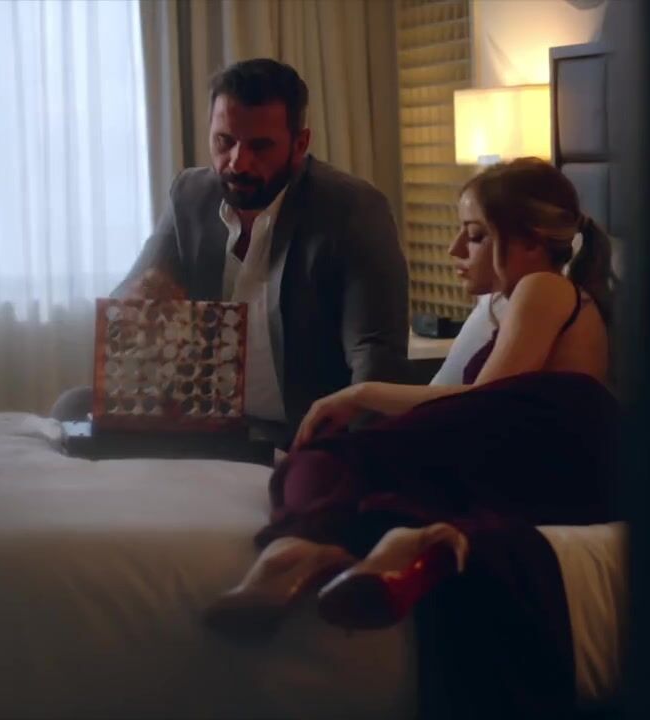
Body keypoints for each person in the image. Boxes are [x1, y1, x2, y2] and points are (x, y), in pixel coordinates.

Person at [205, 157, 619, 715]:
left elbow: (486, 401)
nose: (454, 249)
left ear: (529, 241)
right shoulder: (512, 301)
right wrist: (366, 400)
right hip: (529, 451)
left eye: (475, 235)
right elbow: (479, 408)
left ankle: (302, 544)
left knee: (327, 460)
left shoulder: (543, 287)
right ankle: (380, 542)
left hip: (563, 443)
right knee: (324, 461)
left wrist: (361, 394)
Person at [50, 59, 410, 445]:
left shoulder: (353, 209)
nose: (238, 162)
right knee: (72, 406)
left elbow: (375, 358)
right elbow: (129, 298)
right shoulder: (191, 195)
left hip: (299, 430)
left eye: (260, 146)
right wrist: (139, 298)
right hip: (204, 418)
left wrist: (353, 459)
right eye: (225, 141)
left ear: (300, 145)